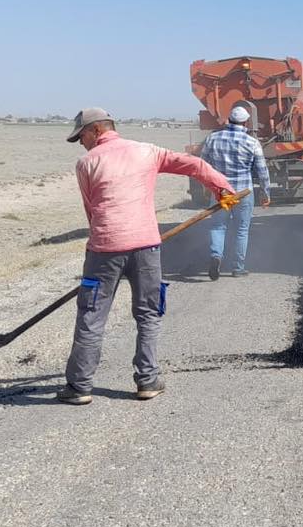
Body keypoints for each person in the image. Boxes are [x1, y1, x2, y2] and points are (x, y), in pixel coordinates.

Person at [57, 107, 238, 405]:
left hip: (104, 250)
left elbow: (91, 211)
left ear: (97, 130)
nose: (81, 142)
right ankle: (148, 380)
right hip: (146, 247)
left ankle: (79, 387)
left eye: (82, 136)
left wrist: (106, 238)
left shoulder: (86, 162)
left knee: (91, 317)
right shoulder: (147, 151)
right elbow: (194, 164)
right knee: (148, 315)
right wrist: (223, 189)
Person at [200, 104, 271, 280]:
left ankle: (216, 256)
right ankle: (238, 268)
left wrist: (205, 187)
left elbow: (203, 166)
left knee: (218, 227)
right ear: (246, 123)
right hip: (242, 193)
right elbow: (262, 171)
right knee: (241, 230)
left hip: (221, 192)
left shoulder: (213, 139)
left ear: (229, 120)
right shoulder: (252, 142)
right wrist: (265, 193)